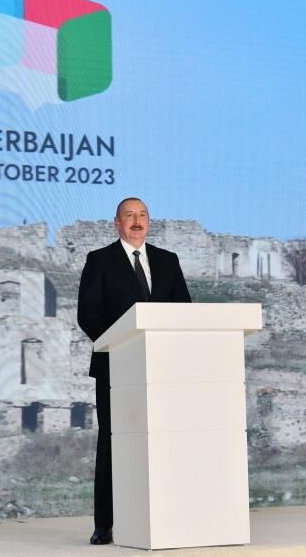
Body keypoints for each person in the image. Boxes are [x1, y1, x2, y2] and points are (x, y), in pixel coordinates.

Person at [77, 197, 192, 545]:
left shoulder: (168, 261)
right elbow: (88, 314)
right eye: (129, 216)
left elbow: (184, 311)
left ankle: (167, 516)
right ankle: (105, 524)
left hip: (162, 370)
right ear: (117, 223)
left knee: (164, 442)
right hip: (116, 369)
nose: (137, 221)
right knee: (112, 443)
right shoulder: (99, 260)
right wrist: (121, 345)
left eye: (142, 215)